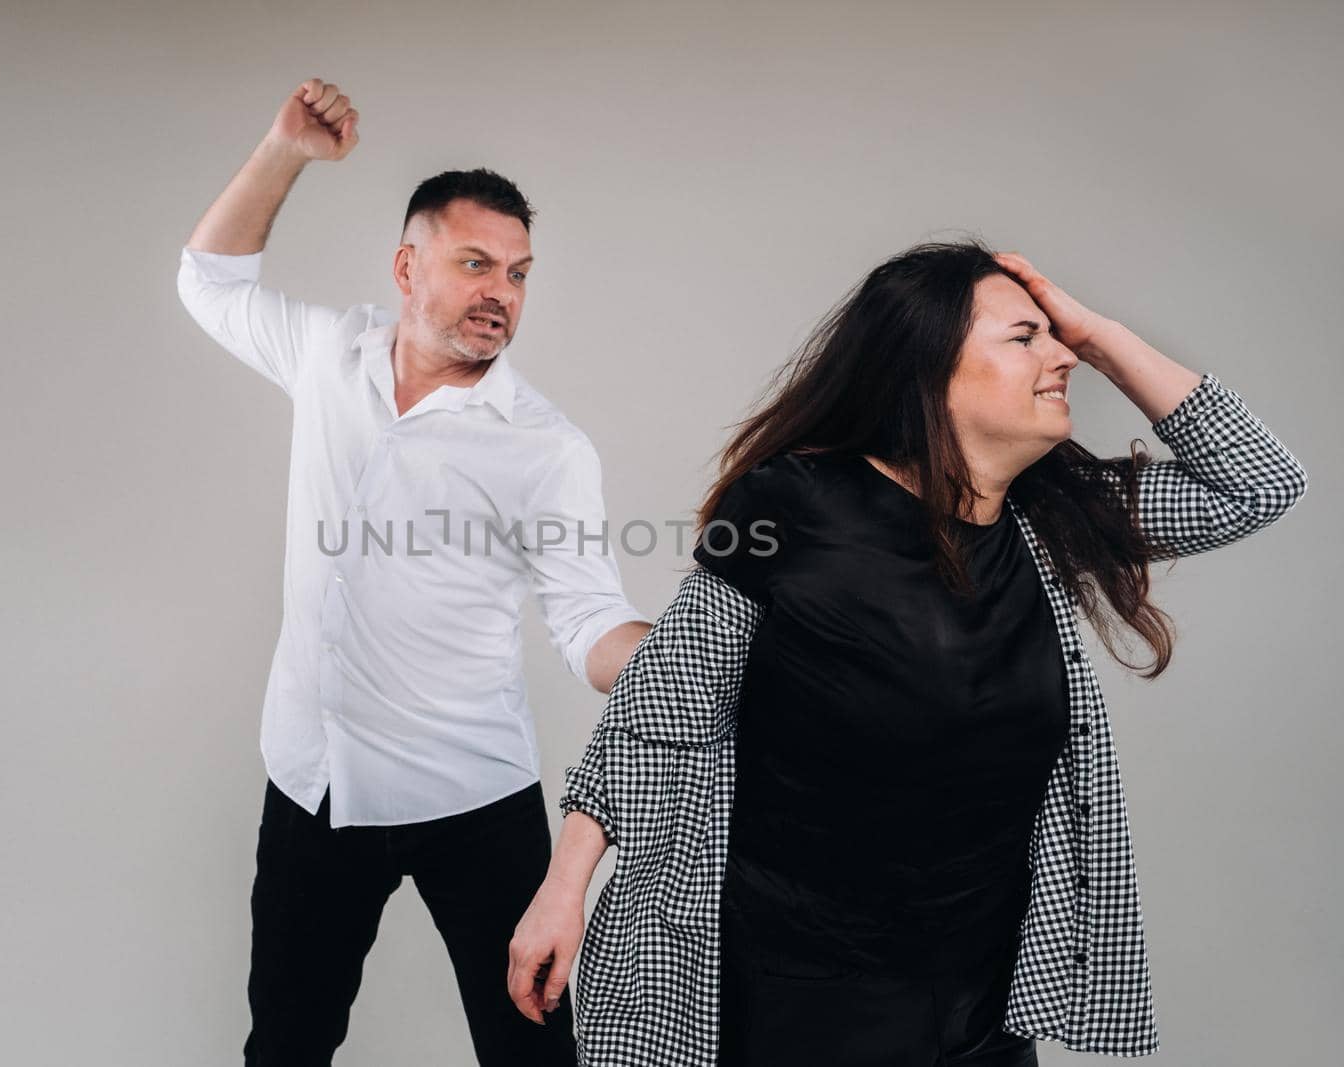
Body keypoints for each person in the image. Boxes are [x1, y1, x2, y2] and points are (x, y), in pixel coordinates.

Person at [507, 242, 1308, 1065]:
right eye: (1024, 337)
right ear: (929, 371)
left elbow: (1259, 484)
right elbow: (661, 705)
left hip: (981, 1007)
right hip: (800, 1001)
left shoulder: (1051, 521)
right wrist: (562, 889)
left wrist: (1099, 334)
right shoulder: (794, 504)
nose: (1061, 356)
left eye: (1058, 338)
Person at [176, 77, 651, 1066]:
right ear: (406, 265)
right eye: (476, 263)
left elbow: (586, 620)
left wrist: (685, 655)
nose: (501, 294)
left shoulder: (544, 447)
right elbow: (208, 283)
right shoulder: (326, 355)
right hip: (314, 787)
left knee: (535, 1055)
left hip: (473, 798)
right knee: (286, 1047)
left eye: (519, 273)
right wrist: (285, 150)